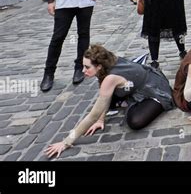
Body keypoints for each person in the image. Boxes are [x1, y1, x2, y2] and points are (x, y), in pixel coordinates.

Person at [44, 44, 174, 158]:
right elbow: (102, 97)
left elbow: (92, 116)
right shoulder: (107, 62)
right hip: (131, 85)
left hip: (153, 89)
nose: (83, 71)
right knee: (106, 98)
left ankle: (133, 101)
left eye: (86, 67)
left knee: (135, 121)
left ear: (99, 66)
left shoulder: (109, 78)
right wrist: (101, 120)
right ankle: (126, 99)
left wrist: (66, 141)